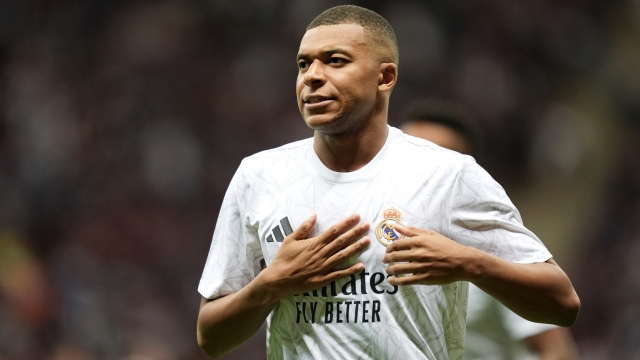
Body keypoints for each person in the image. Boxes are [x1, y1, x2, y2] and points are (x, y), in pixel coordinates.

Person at [196, 5, 580, 360]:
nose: (312, 76)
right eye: (303, 64)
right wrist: (272, 283)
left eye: (335, 61)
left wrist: (466, 262)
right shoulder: (258, 176)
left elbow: (562, 303)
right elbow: (210, 337)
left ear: (385, 77)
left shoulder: (449, 175)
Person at [401, 103, 580, 360]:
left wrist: (472, 264)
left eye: (439, 158)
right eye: (412, 153)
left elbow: (554, 349)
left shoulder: (492, 246)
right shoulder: (370, 234)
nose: (423, 169)